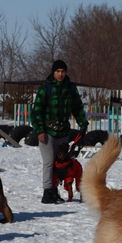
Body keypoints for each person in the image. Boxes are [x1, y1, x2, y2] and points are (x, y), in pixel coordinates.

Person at [30, 60, 88, 204]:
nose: (60, 74)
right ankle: (47, 192)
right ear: (53, 72)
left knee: (60, 163)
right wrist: (40, 131)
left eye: (63, 71)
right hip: (47, 132)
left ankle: (54, 191)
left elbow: (77, 108)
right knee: (49, 162)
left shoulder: (70, 88)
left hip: (63, 132)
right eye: (58, 71)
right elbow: (36, 112)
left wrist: (83, 124)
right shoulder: (46, 88)